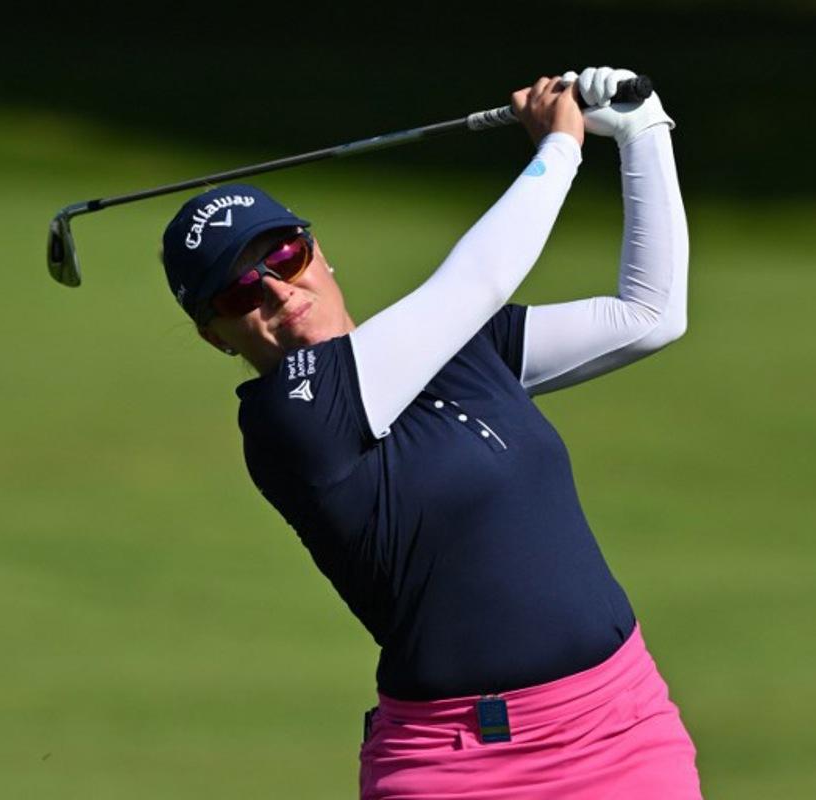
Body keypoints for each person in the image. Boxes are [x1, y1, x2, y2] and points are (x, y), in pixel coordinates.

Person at [160, 67, 698, 799]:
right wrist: (561, 147)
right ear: (215, 336)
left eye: (286, 255)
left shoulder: (456, 347)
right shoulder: (292, 418)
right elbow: (475, 281)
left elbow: (649, 315)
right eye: (241, 290)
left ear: (321, 252)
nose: (281, 291)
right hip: (460, 768)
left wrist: (642, 129)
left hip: (622, 728)